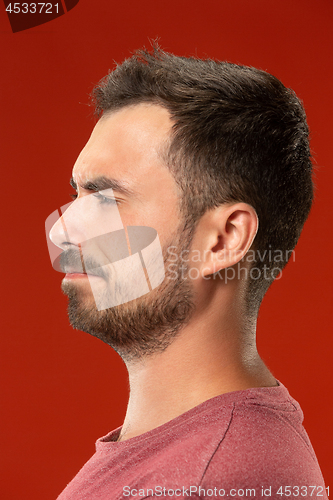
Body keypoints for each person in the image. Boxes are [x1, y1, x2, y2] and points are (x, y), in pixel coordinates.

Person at [48, 47, 327, 499]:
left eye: (105, 198)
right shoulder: (193, 456)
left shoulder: (210, 478)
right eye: (77, 195)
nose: (61, 231)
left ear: (222, 240)